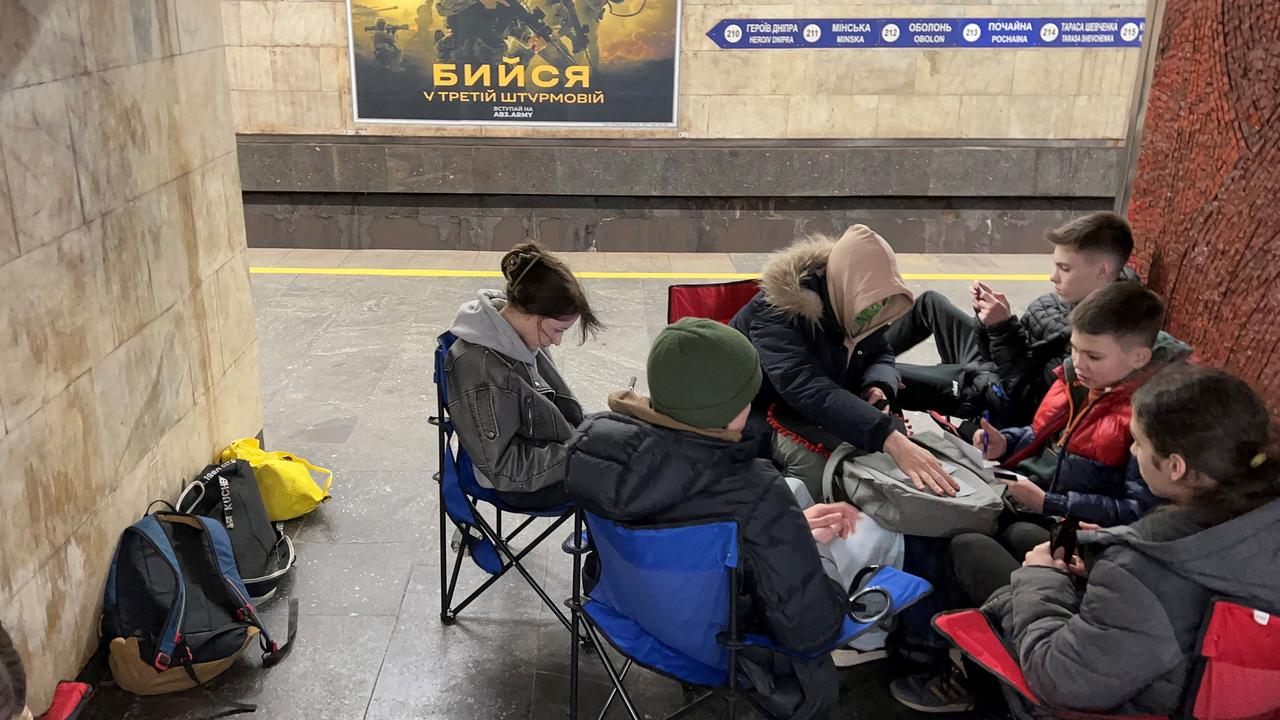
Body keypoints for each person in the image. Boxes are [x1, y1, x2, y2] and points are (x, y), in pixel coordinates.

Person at [891, 364, 1280, 715]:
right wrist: (1108, 552)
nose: (1132, 450)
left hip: (1101, 699)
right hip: (1187, 678)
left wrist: (1042, 577)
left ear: (1176, 467)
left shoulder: (1144, 571)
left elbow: (1060, 680)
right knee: (1024, 533)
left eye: (1139, 443)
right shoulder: (1256, 514)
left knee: (969, 548)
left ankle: (947, 679)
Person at [566, 318, 864, 720]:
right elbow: (812, 630)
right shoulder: (757, 492)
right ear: (726, 411)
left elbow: (686, 517)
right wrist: (811, 546)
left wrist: (783, 527)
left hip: (623, 608)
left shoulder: (591, 449)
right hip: (723, 649)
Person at [729, 225, 959, 499]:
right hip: (751, 412)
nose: (873, 313)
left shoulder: (850, 298)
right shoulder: (777, 313)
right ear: (847, 284)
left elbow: (881, 352)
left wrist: (879, 385)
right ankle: (809, 520)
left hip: (811, 406)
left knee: (876, 446)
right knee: (819, 467)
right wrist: (889, 438)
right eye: (870, 304)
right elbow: (808, 389)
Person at [978, 281, 1188, 545]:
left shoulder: (1150, 419)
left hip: (1065, 520)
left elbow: (1139, 510)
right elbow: (1044, 437)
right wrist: (1005, 443)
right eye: (1075, 349)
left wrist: (1050, 503)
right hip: (1027, 491)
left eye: (1093, 356)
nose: (1077, 363)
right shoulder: (1077, 379)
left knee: (980, 534)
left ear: (1138, 358)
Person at [885, 211, 1138, 427]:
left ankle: (861, 371)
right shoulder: (1072, 297)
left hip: (990, 393)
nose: (1053, 277)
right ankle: (862, 351)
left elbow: (1027, 400)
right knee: (930, 303)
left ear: (1102, 270)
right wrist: (989, 321)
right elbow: (1001, 350)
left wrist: (1001, 327)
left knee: (886, 375)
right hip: (994, 366)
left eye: (1065, 268)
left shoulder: (1096, 336)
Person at [444, 242, 601, 510]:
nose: (558, 341)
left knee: (628, 440)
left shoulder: (517, 335)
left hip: (548, 451)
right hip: (518, 484)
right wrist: (582, 454)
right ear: (531, 314)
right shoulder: (482, 369)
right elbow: (505, 470)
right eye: (557, 330)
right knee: (628, 475)